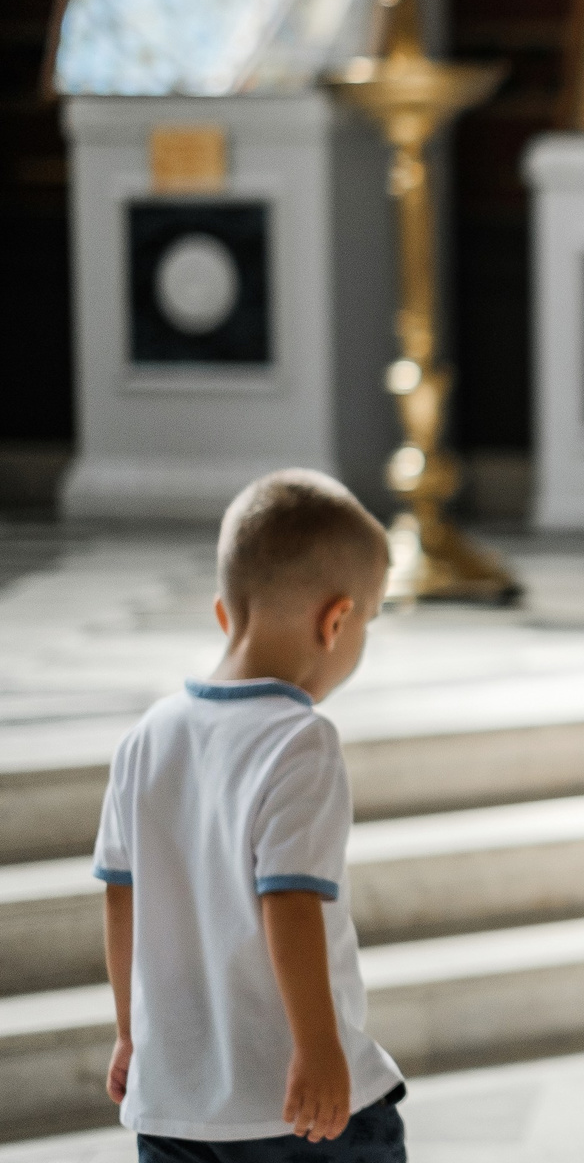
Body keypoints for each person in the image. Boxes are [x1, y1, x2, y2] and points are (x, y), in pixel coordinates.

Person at [93, 469, 406, 1160]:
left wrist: (129, 1033)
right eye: (370, 622)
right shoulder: (300, 740)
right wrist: (321, 1051)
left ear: (223, 612)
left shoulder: (149, 734)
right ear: (337, 621)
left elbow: (122, 897)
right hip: (294, 1108)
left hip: (173, 1105)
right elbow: (290, 901)